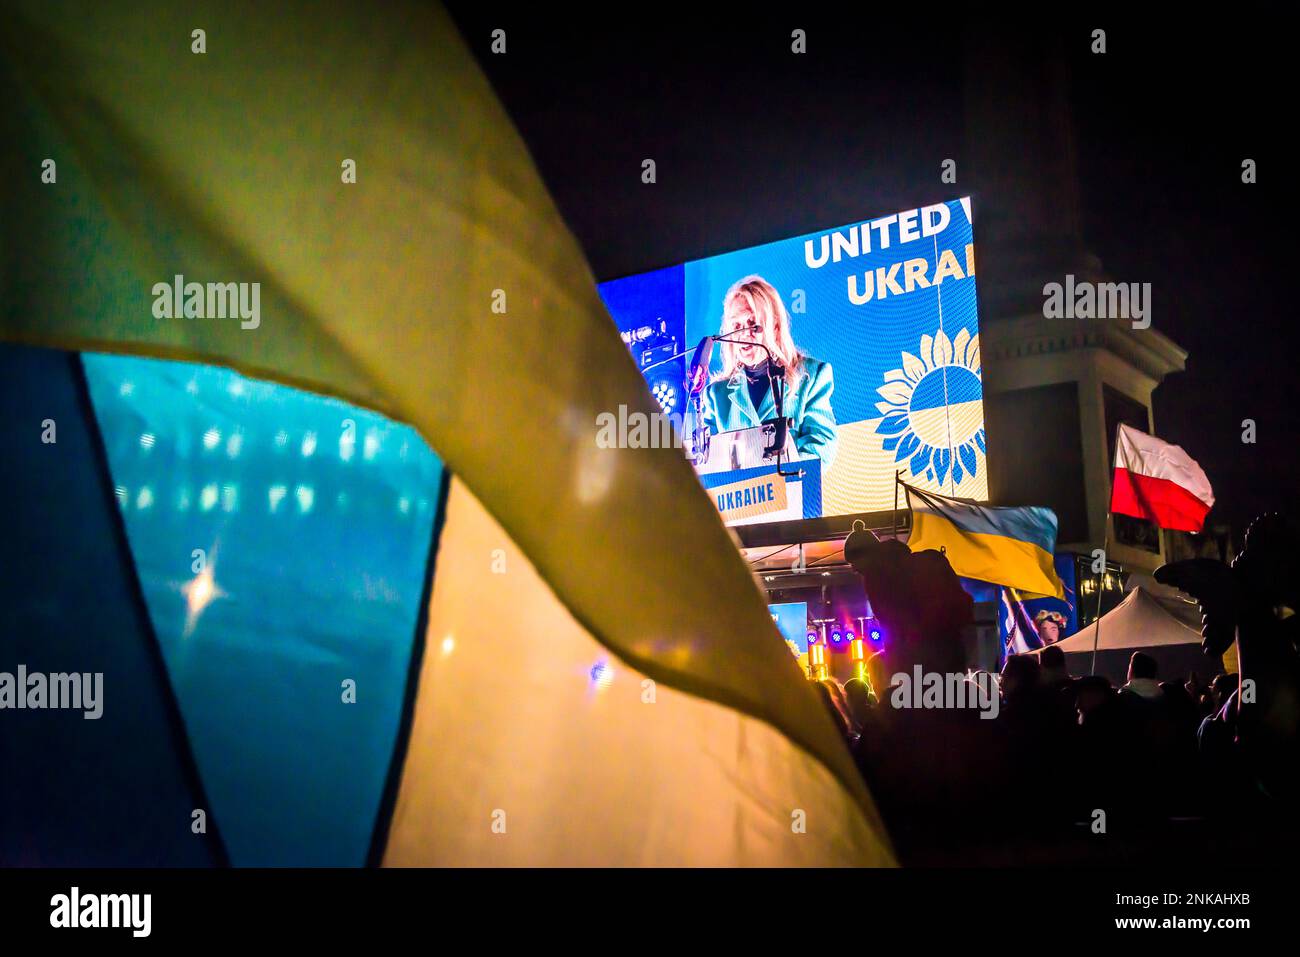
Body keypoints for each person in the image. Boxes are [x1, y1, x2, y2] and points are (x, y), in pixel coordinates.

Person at [701, 276, 838, 465]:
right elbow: (709, 465)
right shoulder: (716, 395)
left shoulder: (812, 376)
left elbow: (821, 448)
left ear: (775, 326)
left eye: (752, 323)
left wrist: (779, 480)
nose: (743, 334)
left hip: (791, 489)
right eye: (737, 325)